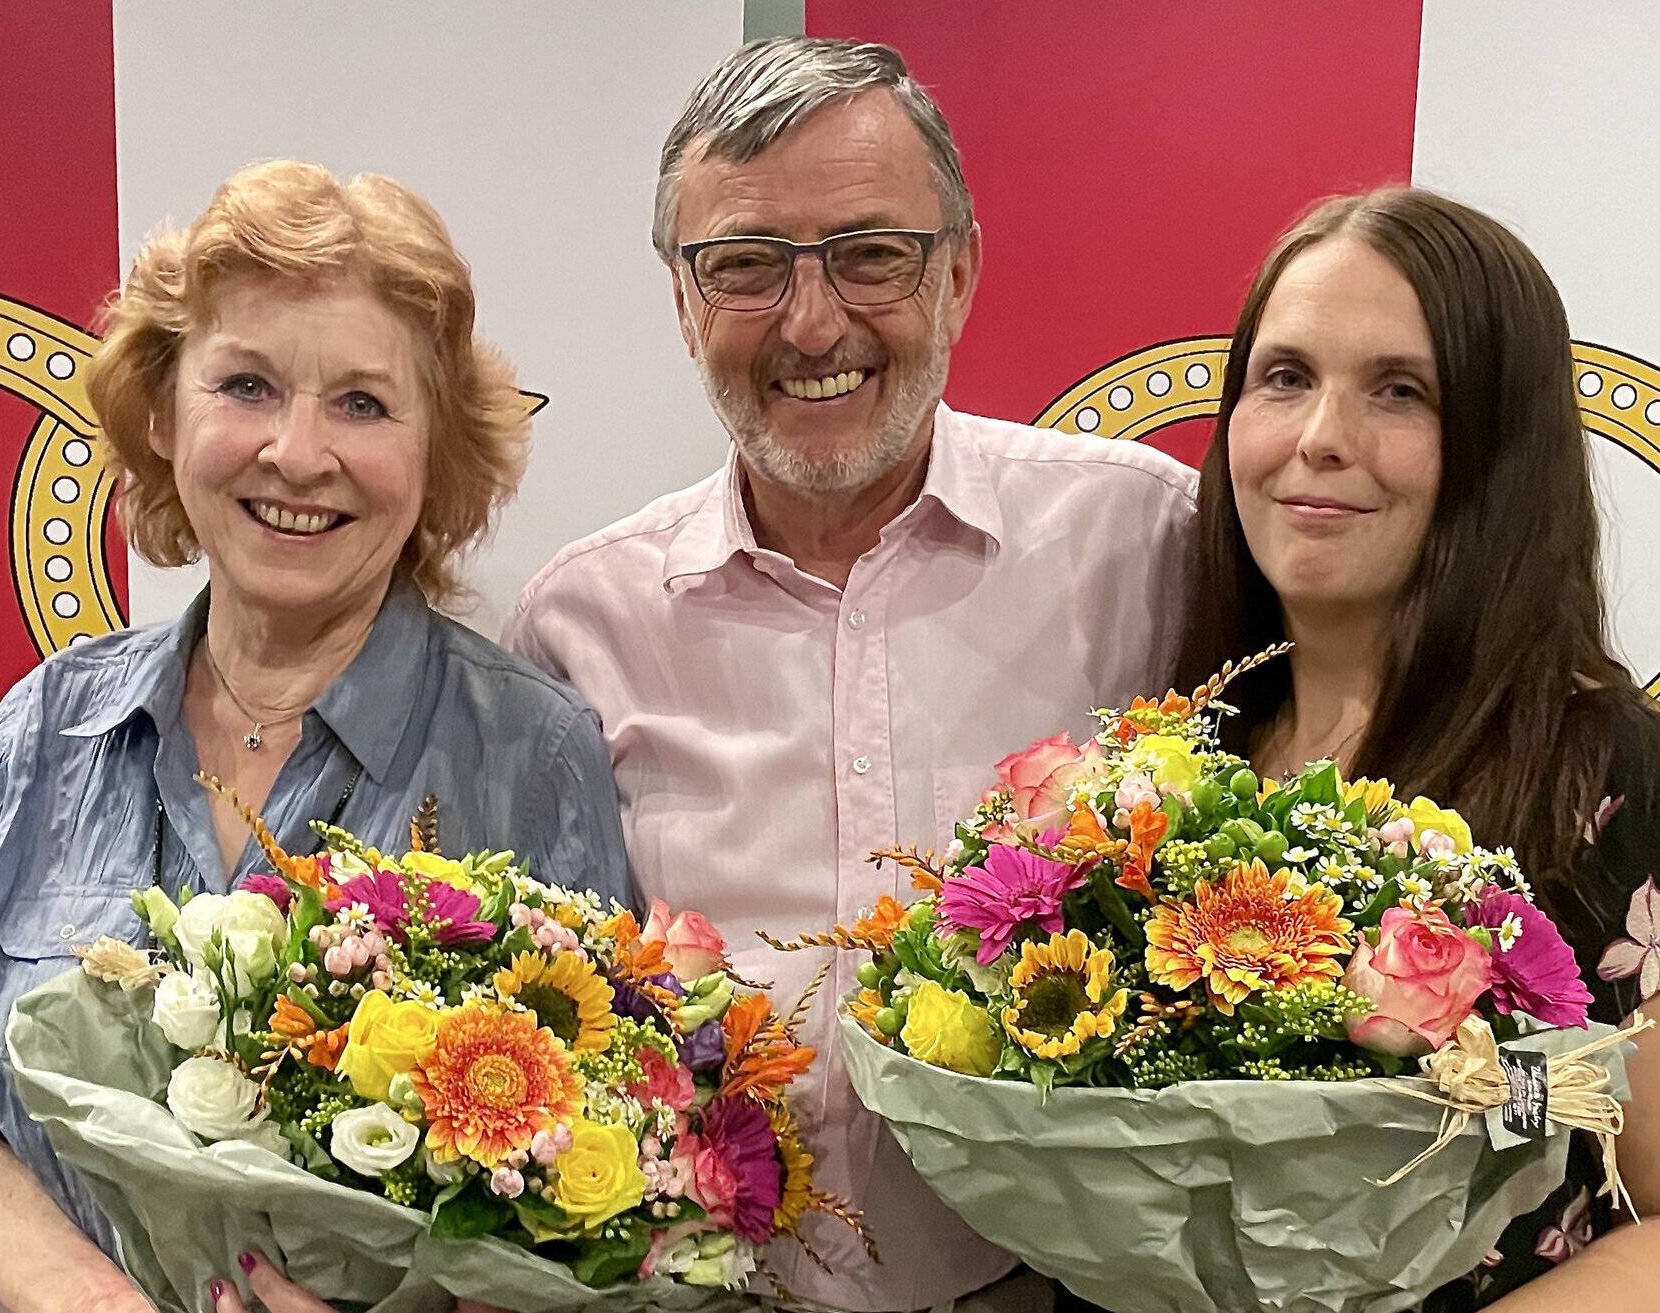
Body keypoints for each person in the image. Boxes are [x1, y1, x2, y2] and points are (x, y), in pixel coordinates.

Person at [505, 37, 1196, 1312]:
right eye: (746, 267)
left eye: (871, 254)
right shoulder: (577, 623)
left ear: (959, 271)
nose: (812, 322)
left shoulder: (1150, 546)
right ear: (681, 300)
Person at [0, 161, 633, 1313]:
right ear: (165, 415)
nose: (299, 454)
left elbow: (587, 1195)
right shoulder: (42, 727)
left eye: (363, 404)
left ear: (437, 453)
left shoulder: (533, 754)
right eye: (249, 385)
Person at [1173, 186, 1660, 1310]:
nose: (1319, 438)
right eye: (1283, 376)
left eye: (1400, 391)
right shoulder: (1171, 770)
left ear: (1501, 445)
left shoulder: (1610, 777)